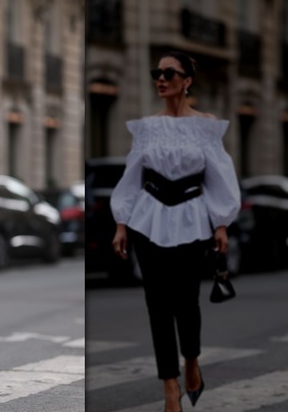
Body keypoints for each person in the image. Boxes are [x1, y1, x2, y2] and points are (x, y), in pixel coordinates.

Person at [110, 51, 240, 412]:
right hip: (147, 220)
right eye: (157, 72)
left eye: (170, 72)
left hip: (192, 217)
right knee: (157, 305)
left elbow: (220, 177)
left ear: (187, 81)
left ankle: (192, 362)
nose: (161, 78)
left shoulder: (206, 125)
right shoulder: (147, 127)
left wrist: (221, 223)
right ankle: (170, 385)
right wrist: (121, 222)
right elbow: (132, 177)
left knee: (187, 302)